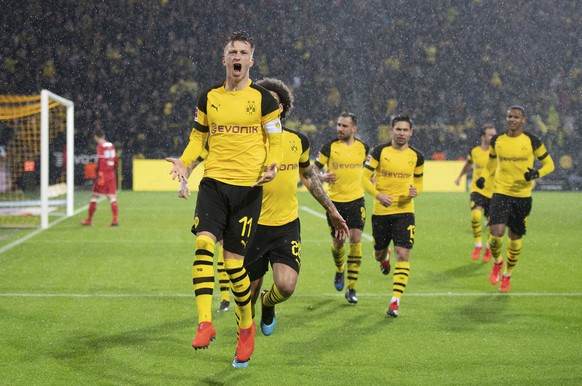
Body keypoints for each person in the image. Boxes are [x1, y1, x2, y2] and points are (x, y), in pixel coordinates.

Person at [166, 31, 282, 368]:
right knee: (203, 244)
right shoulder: (209, 97)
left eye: (243, 52)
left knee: (234, 267)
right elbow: (197, 138)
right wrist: (185, 163)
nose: (237, 56)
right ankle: (205, 323)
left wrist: (272, 164)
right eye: (232, 51)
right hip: (213, 184)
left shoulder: (264, 100)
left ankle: (245, 328)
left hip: (247, 190)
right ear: (224, 59)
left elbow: (273, 139)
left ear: (251, 60)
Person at [244, 78, 348, 336]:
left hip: (285, 226)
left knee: (287, 287)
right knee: (246, 297)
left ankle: (269, 303)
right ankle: (244, 345)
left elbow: (309, 177)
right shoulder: (246, 141)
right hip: (252, 227)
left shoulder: (297, 141)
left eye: (272, 102)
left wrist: (332, 210)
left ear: (281, 108)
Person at [476, 105, 554, 292]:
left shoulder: (532, 141)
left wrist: (536, 174)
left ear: (523, 120)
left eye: (516, 117)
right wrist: (483, 177)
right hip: (501, 192)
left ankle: (507, 275)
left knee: (514, 237)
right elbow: (491, 163)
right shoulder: (498, 140)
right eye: (509, 116)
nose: (512, 119)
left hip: (522, 196)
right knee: (496, 233)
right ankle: (497, 262)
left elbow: (549, 164)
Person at [361, 115, 424, 317]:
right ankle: (383, 257)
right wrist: (378, 195)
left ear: (411, 132)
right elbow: (363, 179)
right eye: (398, 129)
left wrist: (416, 191)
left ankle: (395, 300)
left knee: (403, 253)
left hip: (405, 211)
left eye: (405, 130)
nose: (401, 133)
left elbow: (419, 182)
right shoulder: (379, 152)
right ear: (392, 130)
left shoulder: (417, 156)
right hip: (381, 212)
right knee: (379, 253)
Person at [313, 112, 369, 304]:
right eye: (338, 125)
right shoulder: (328, 147)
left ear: (354, 128)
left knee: (355, 240)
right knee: (338, 243)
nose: (339, 129)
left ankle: (352, 287)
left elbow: (370, 169)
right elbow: (313, 170)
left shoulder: (363, 148)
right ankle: (339, 269)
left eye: (344, 126)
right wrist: (321, 177)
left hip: (356, 200)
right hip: (335, 203)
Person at [179, 153, 231, 313]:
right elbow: (194, 161)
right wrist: (183, 182)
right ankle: (224, 299)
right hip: (215, 197)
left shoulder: (246, 137)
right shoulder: (213, 138)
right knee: (209, 245)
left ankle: (230, 299)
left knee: (230, 254)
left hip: (238, 195)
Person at [454, 124, 497, 261]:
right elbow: (468, 164)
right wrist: (460, 176)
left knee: (492, 224)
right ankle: (478, 245)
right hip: (477, 189)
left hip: (494, 191)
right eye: (490, 134)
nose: (493, 137)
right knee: (476, 216)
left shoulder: (497, 152)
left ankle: (488, 248)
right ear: (483, 136)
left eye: (494, 134)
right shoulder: (475, 151)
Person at [80, 129, 119, 227]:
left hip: (103, 174)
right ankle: (115, 220)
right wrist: (113, 170)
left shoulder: (100, 147)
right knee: (111, 196)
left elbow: (101, 160)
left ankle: (89, 220)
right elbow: (115, 160)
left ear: (96, 137)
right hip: (111, 174)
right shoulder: (111, 145)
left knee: (94, 196)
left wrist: (100, 173)